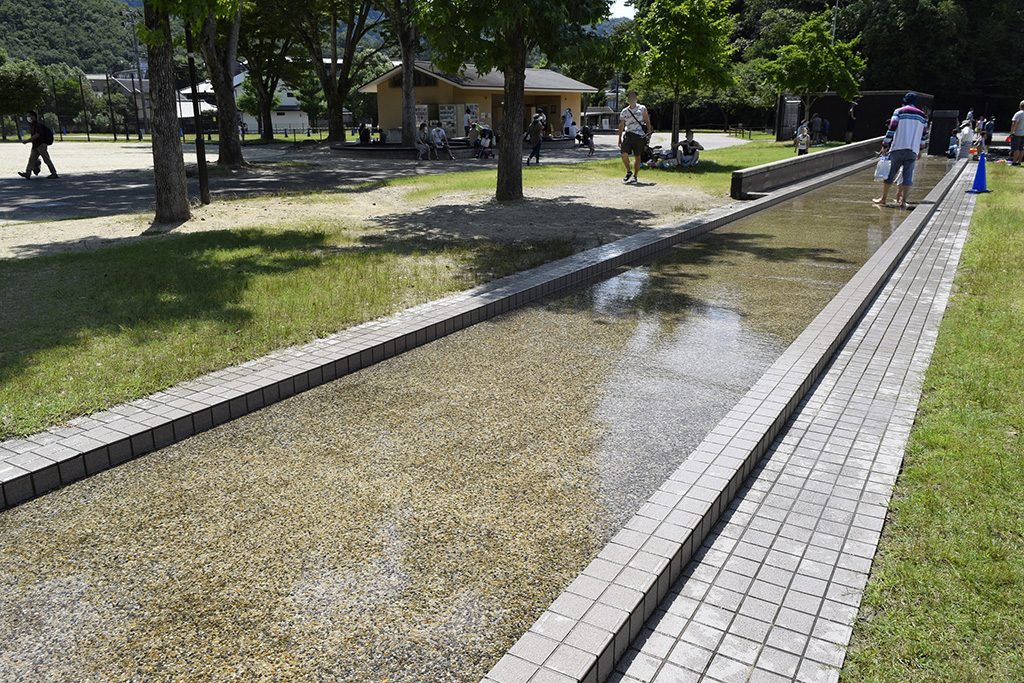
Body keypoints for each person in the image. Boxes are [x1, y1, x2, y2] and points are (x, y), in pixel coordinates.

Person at [873, 92, 929, 209]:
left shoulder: (899, 111)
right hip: (913, 149)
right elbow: (924, 135)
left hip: (898, 146)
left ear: (905, 100)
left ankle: (883, 199)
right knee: (907, 175)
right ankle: (903, 201)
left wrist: (885, 144)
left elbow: (892, 128)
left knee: (890, 174)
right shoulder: (922, 115)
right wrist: (920, 150)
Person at [617, 89, 652, 184]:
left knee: (638, 157)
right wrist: (619, 138)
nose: (632, 98)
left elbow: (647, 121)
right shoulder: (624, 111)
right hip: (628, 135)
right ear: (628, 99)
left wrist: (649, 134)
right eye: (630, 97)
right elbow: (621, 125)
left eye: (633, 97)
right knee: (623, 153)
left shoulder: (642, 108)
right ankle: (629, 171)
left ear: (636, 98)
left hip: (640, 136)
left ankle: (635, 176)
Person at [17, 111, 58, 179]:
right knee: (31, 160)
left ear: (33, 116)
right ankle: (28, 173)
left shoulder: (38, 125)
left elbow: (37, 135)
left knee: (46, 159)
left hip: (41, 145)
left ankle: (54, 173)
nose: (28, 118)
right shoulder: (33, 125)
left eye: (29, 116)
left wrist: (27, 141)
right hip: (36, 145)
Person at [1011, 100, 1024, 166]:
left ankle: (1014, 162)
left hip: (1017, 133)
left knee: (1016, 148)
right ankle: (1019, 162)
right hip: (1023, 133)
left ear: (1020, 106)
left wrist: (1011, 132)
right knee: (1021, 148)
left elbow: (1014, 123)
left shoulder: (1018, 113)